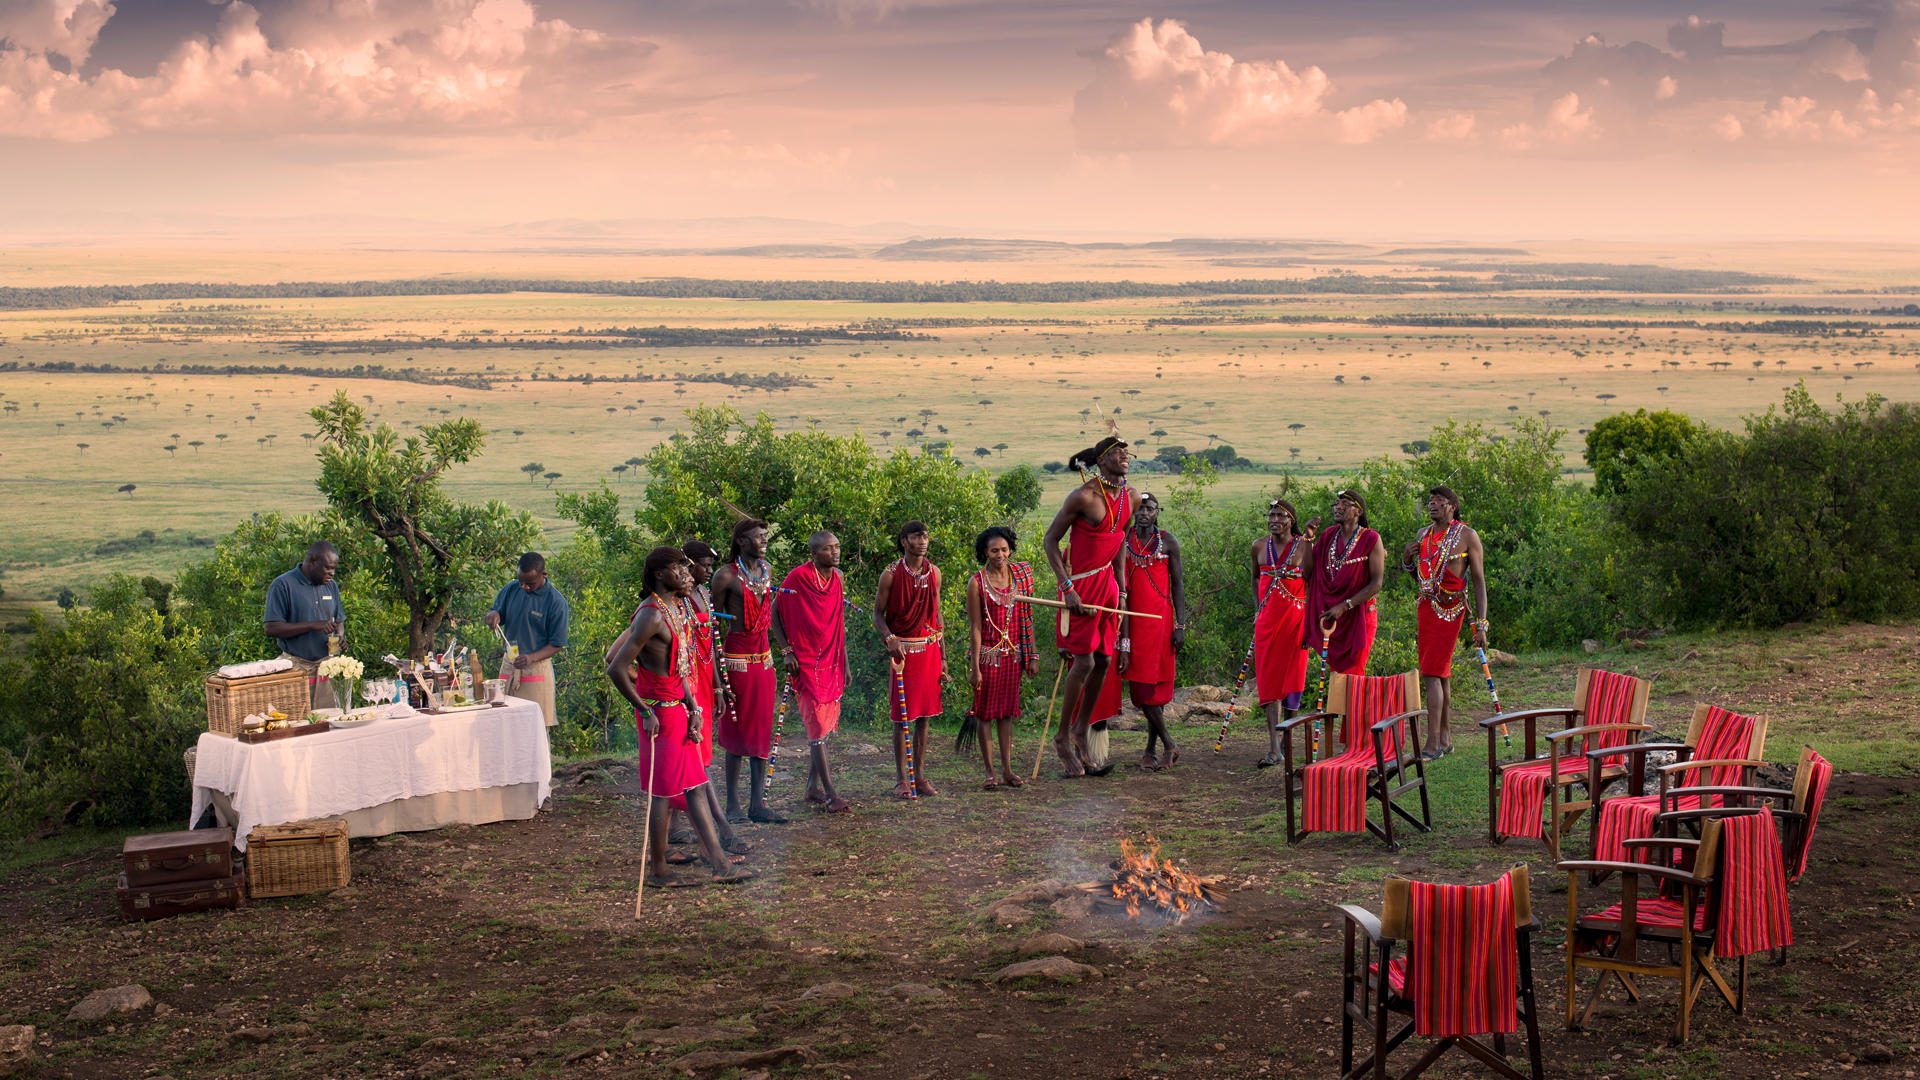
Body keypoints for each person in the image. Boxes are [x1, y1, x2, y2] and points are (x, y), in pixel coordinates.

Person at [604, 547, 750, 887]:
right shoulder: (651, 615)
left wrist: (694, 708)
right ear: (659, 575)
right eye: (679, 570)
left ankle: (720, 864)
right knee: (663, 794)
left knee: (696, 786)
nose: (688, 575)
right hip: (660, 717)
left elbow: (681, 667)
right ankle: (658, 871)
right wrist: (644, 709)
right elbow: (615, 667)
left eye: (687, 570)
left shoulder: (676, 609)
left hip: (679, 713)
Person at [1042, 434, 1138, 778]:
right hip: (1080, 587)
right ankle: (1063, 738)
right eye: (1117, 451)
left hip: (1109, 590)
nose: (1125, 455)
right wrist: (1066, 587)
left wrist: (1123, 590)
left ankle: (1082, 731)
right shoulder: (1083, 497)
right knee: (1082, 661)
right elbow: (1050, 540)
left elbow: (1122, 541)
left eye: (1127, 451)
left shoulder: (1133, 498)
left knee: (1106, 659)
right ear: (1101, 460)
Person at [1400, 486, 1488, 759]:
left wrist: (1482, 624)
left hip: (1451, 609)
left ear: (1452, 506)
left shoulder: (1467, 535)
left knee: (1431, 673)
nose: (1433, 504)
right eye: (1430, 501)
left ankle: (1433, 743)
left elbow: (1478, 581)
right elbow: (1423, 581)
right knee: (1440, 673)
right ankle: (1446, 738)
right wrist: (1407, 561)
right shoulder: (1422, 535)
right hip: (1426, 608)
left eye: (1440, 501)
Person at [710, 519, 786, 824]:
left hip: (764, 660)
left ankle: (758, 803)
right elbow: (712, 627)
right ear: (741, 541)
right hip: (737, 660)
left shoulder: (766, 571)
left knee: (761, 731)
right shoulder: (725, 576)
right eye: (758, 537)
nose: (764, 541)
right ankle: (732, 806)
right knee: (736, 729)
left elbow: (772, 613)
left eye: (765, 536)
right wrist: (718, 675)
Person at [773, 531, 853, 813]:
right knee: (816, 728)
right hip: (806, 660)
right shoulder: (797, 578)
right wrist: (786, 651)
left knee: (825, 726)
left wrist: (844, 661)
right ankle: (831, 794)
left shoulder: (838, 578)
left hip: (831, 658)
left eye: (837, 547)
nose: (835, 552)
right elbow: (775, 612)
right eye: (828, 549)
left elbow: (837, 621)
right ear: (814, 553)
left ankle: (811, 787)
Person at [874, 520, 944, 799]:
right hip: (902, 653)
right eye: (917, 536)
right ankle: (901, 779)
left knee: (925, 717)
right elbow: (878, 614)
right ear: (904, 541)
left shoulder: (935, 573)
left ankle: (920, 776)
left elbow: (937, 615)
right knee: (902, 717)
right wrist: (889, 637)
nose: (923, 541)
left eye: (925, 536)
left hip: (929, 650)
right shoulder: (890, 574)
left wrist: (944, 654)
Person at [964, 525, 1037, 788]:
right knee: (984, 715)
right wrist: (975, 667)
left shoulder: (1019, 577)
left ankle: (1008, 770)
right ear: (985, 551)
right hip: (988, 658)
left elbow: (1027, 618)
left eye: (1004, 549)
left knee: (1006, 714)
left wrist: (1032, 656)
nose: (1000, 555)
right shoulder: (977, 583)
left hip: (1013, 657)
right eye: (994, 550)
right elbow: (975, 627)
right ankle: (990, 773)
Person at [1118, 493, 1187, 770]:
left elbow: (1179, 585)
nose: (1144, 512)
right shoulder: (1124, 540)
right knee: (1141, 690)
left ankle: (1151, 750)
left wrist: (1180, 625)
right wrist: (1122, 637)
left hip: (1161, 623)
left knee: (1155, 691)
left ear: (1158, 512)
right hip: (1133, 624)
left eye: (1149, 508)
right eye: (1140, 508)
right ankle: (1169, 744)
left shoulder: (1168, 542)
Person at [1252, 500, 1311, 767]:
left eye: (1281, 515)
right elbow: (1255, 578)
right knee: (1269, 683)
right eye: (1271, 514)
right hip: (1266, 624)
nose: (1274, 519)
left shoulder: (1303, 546)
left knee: (1293, 679)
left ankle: (1287, 740)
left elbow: (1312, 581)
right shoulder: (1258, 546)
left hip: (1295, 623)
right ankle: (1274, 748)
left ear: (1291, 520)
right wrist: (1258, 609)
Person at [1303, 489, 1386, 676]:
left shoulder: (1371, 538)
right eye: (1336, 504)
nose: (1338, 507)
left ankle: (1355, 706)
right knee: (1338, 677)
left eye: (1345, 504)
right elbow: (1309, 573)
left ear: (1358, 511)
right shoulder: (1328, 536)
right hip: (1333, 617)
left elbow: (1376, 584)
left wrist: (1344, 606)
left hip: (1359, 617)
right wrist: (1308, 539)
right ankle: (1341, 707)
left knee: (1354, 674)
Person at [483, 552, 570, 728]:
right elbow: (496, 612)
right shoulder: (512, 589)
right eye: (521, 581)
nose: (524, 587)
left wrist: (531, 657)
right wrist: (494, 615)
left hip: (536, 668)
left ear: (543, 575)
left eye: (530, 583)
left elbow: (557, 644)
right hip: (510, 663)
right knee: (505, 719)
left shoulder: (556, 602)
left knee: (534, 724)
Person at [264, 541, 346, 709]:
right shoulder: (283, 585)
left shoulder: (331, 586)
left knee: (328, 723)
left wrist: (340, 638)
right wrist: (312, 625)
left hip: (326, 669)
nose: (332, 573)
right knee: (297, 723)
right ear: (313, 562)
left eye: (334, 569)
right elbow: (271, 628)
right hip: (296, 668)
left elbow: (339, 620)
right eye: (328, 568)